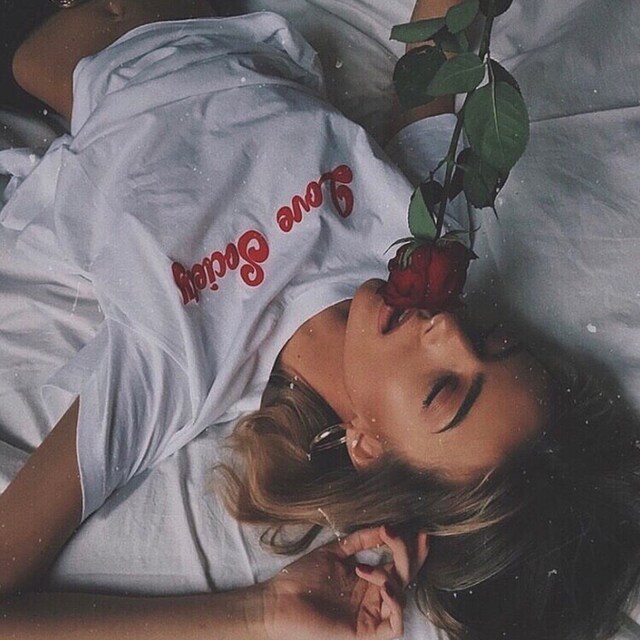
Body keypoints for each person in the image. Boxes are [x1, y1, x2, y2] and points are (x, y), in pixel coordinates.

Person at [0, 1, 638, 639]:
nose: (446, 329)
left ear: (367, 448)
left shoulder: (179, 367)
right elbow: (431, 53)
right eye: (491, 340)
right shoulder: (426, 233)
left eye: (441, 390)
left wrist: (261, 611)